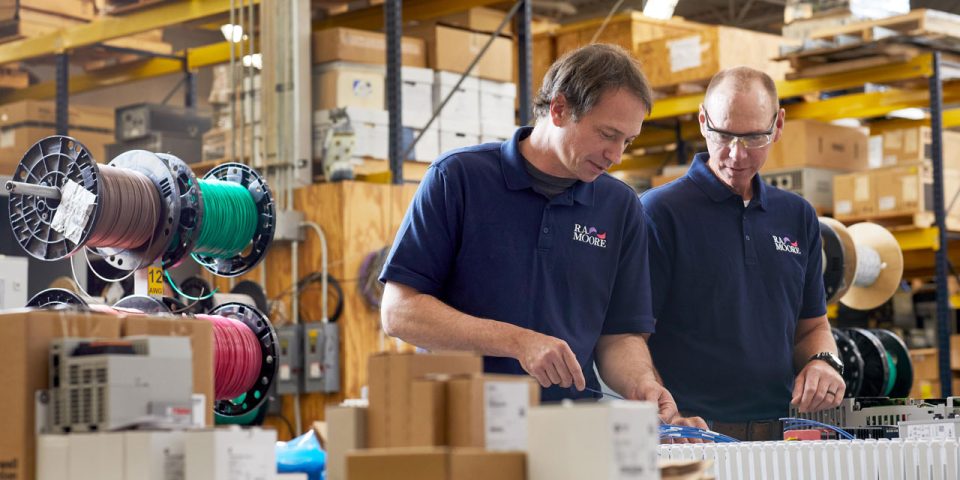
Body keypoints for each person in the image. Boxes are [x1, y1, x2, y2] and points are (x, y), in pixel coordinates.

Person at [378, 44, 680, 420]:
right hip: (463, 423)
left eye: (627, 141)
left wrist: (642, 385)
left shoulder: (620, 207)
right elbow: (399, 312)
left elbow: (620, 336)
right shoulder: (458, 179)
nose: (616, 155)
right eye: (607, 134)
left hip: (569, 428)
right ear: (559, 109)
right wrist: (518, 342)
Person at [640, 67, 846, 440]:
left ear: (778, 125)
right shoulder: (658, 213)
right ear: (703, 121)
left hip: (782, 438)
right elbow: (631, 338)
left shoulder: (797, 216)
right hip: (691, 438)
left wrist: (824, 363)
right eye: (723, 135)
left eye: (754, 138)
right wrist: (665, 417)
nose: (737, 154)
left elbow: (812, 327)